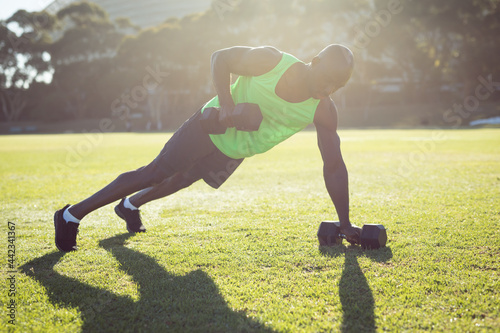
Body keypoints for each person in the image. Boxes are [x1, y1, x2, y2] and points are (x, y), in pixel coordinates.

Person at [54, 44, 360, 252]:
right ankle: (71, 214)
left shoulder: (323, 109)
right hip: (211, 126)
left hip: (234, 151)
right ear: (315, 61)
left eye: (338, 86)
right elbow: (221, 57)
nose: (328, 88)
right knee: (156, 172)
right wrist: (226, 103)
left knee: (182, 179)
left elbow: (333, 165)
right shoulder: (272, 61)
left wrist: (344, 222)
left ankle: (129, 206)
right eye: (327, 79)